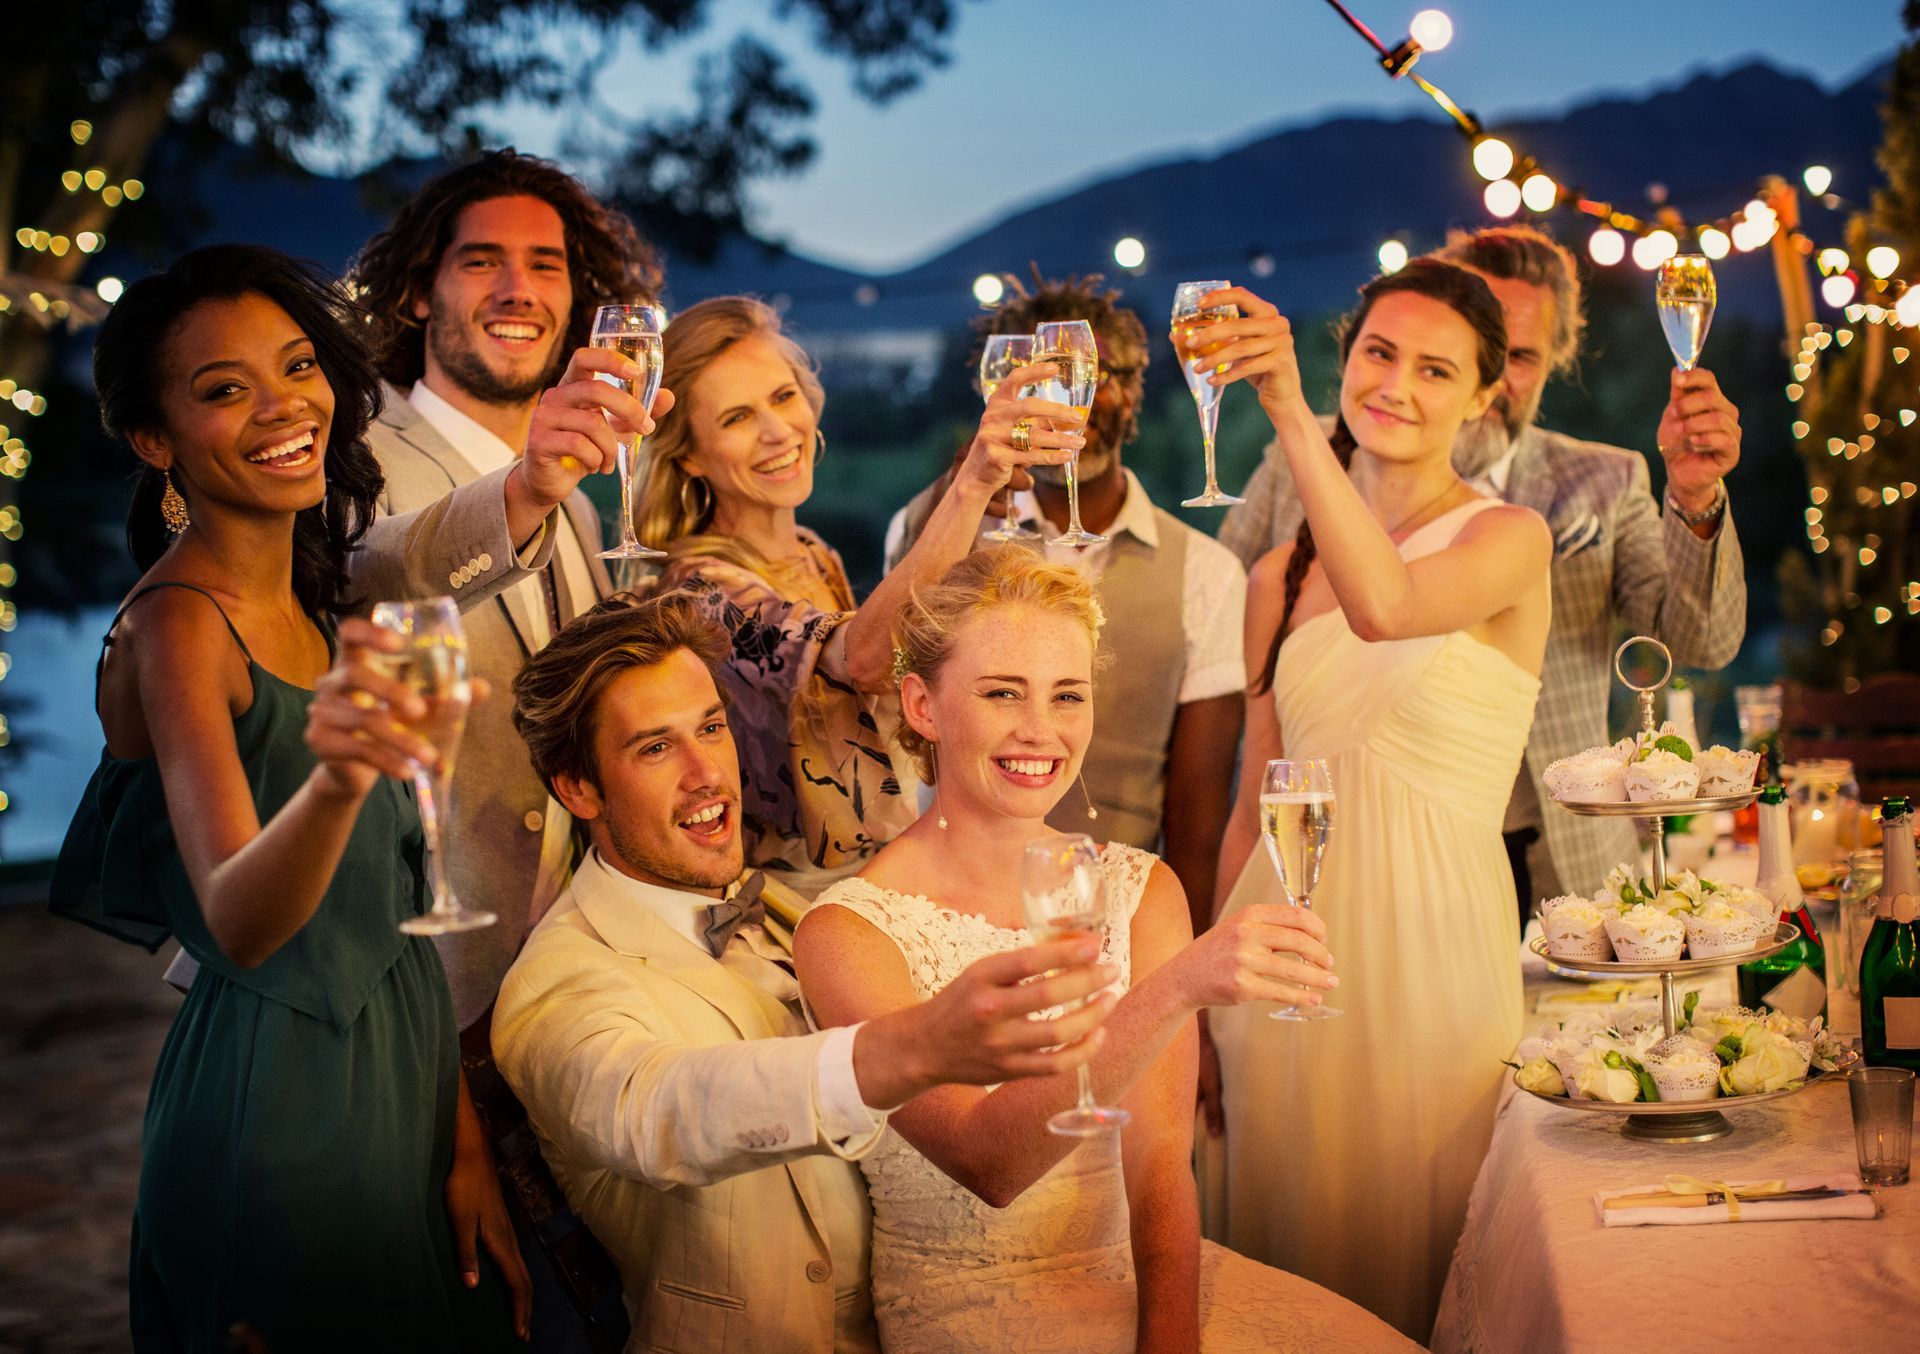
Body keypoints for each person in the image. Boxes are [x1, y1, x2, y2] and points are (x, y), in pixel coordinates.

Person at [51, 245, 527, 1350]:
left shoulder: (317, 601)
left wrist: (457, 1137)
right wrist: (343, 773)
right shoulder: (176, 627)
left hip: (402, 1083)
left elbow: (387, 924)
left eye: (299, 366)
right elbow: (240, 922)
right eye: (225, 389)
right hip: (284, 1112)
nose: (284, 407)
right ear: (154, 441)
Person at [796, 546, 1420, 1353]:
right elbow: (987, 1163)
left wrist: (1169, 1339)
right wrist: (1175, 990)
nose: (1041, 731)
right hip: (969, 1315)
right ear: (922, 705)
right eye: (1000, 694)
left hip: (1142, 1284)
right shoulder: (849, 931)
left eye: (1068, 696)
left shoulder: (1140, 888)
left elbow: (1160, 1167)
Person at [491, 590, 1128, 1353]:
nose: (706, 775)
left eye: (712, 729)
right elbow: (659, 1112)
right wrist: (910, 1049)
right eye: (655, 748)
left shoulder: (804, 912)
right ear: (578, 788)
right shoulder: (555, 983)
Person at [1197, 261, 1549, 1340]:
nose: (1396, 384)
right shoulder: (1271, 582)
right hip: (1285, 950)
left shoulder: (1508, 540)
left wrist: (1291, 418)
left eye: (1435, 369)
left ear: (1484, 397)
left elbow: (1389, 608)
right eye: (1378, 353)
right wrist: (1207, 991)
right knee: (1284, 1266)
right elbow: (1254, 795)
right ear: (1349, 355)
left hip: (1437, 947)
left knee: (1428, 1238)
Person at [1220, 224, 1746, 908]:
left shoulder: (1599, 481)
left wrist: (1697, 499)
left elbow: (1701, 643)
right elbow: (1224, 625)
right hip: (1330, 860)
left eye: (1519, 354)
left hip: (1552, 862)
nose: (1501, 382)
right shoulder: (1303, 464)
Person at [350, 147, 667, 1033]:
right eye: (481, 260)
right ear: (418, 293)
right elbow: (369, 573)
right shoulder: (348, 454)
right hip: (398, 979)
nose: (518, 288)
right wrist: (523, 490)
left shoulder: (580, 512)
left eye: (545, 265)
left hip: (552, 980)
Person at [637, 296, 1079, 895]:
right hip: (784, 911)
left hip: (879, 880)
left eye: (783, 397)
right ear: (688, 454)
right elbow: (866, 660)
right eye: (736, 418)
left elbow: (891, 644)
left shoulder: (813, 552)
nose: (776, 431)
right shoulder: (700, 590)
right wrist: (973, 483)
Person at [881, 273, 1248, 926]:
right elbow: (886, 703)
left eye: (1094, 376)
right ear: (995, 395)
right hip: (944, 901)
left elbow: (1198, 819)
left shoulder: (1208, 571)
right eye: (1035, 379)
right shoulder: (928, 527)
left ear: (1134, 393)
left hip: (1110, 916)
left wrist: (1182, 977)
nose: (1065, 401)